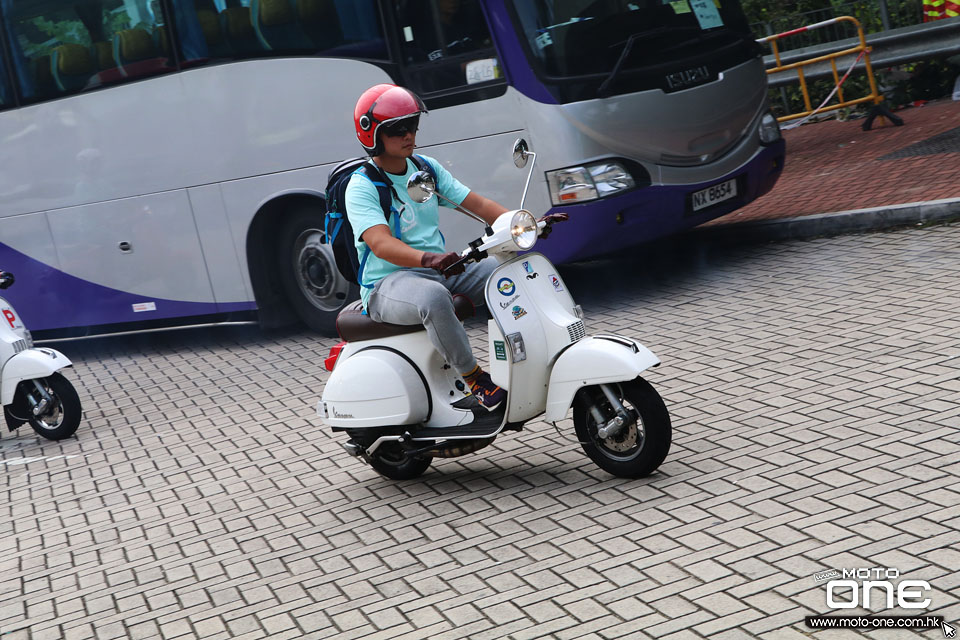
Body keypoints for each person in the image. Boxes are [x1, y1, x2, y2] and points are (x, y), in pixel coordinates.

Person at [344, 84, 564, 411]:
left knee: (507, 270)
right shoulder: (362, 186)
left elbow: (479, 205)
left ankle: (538, 351)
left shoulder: (426, 169)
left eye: (412, 125)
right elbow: (380, 244)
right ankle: (474, 378)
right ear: (373, 134)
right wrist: (428, 258)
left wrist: (528, 223)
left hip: (437, 270)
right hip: (388, 284)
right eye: (397, 129)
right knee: (433, 298)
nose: (408, 134)